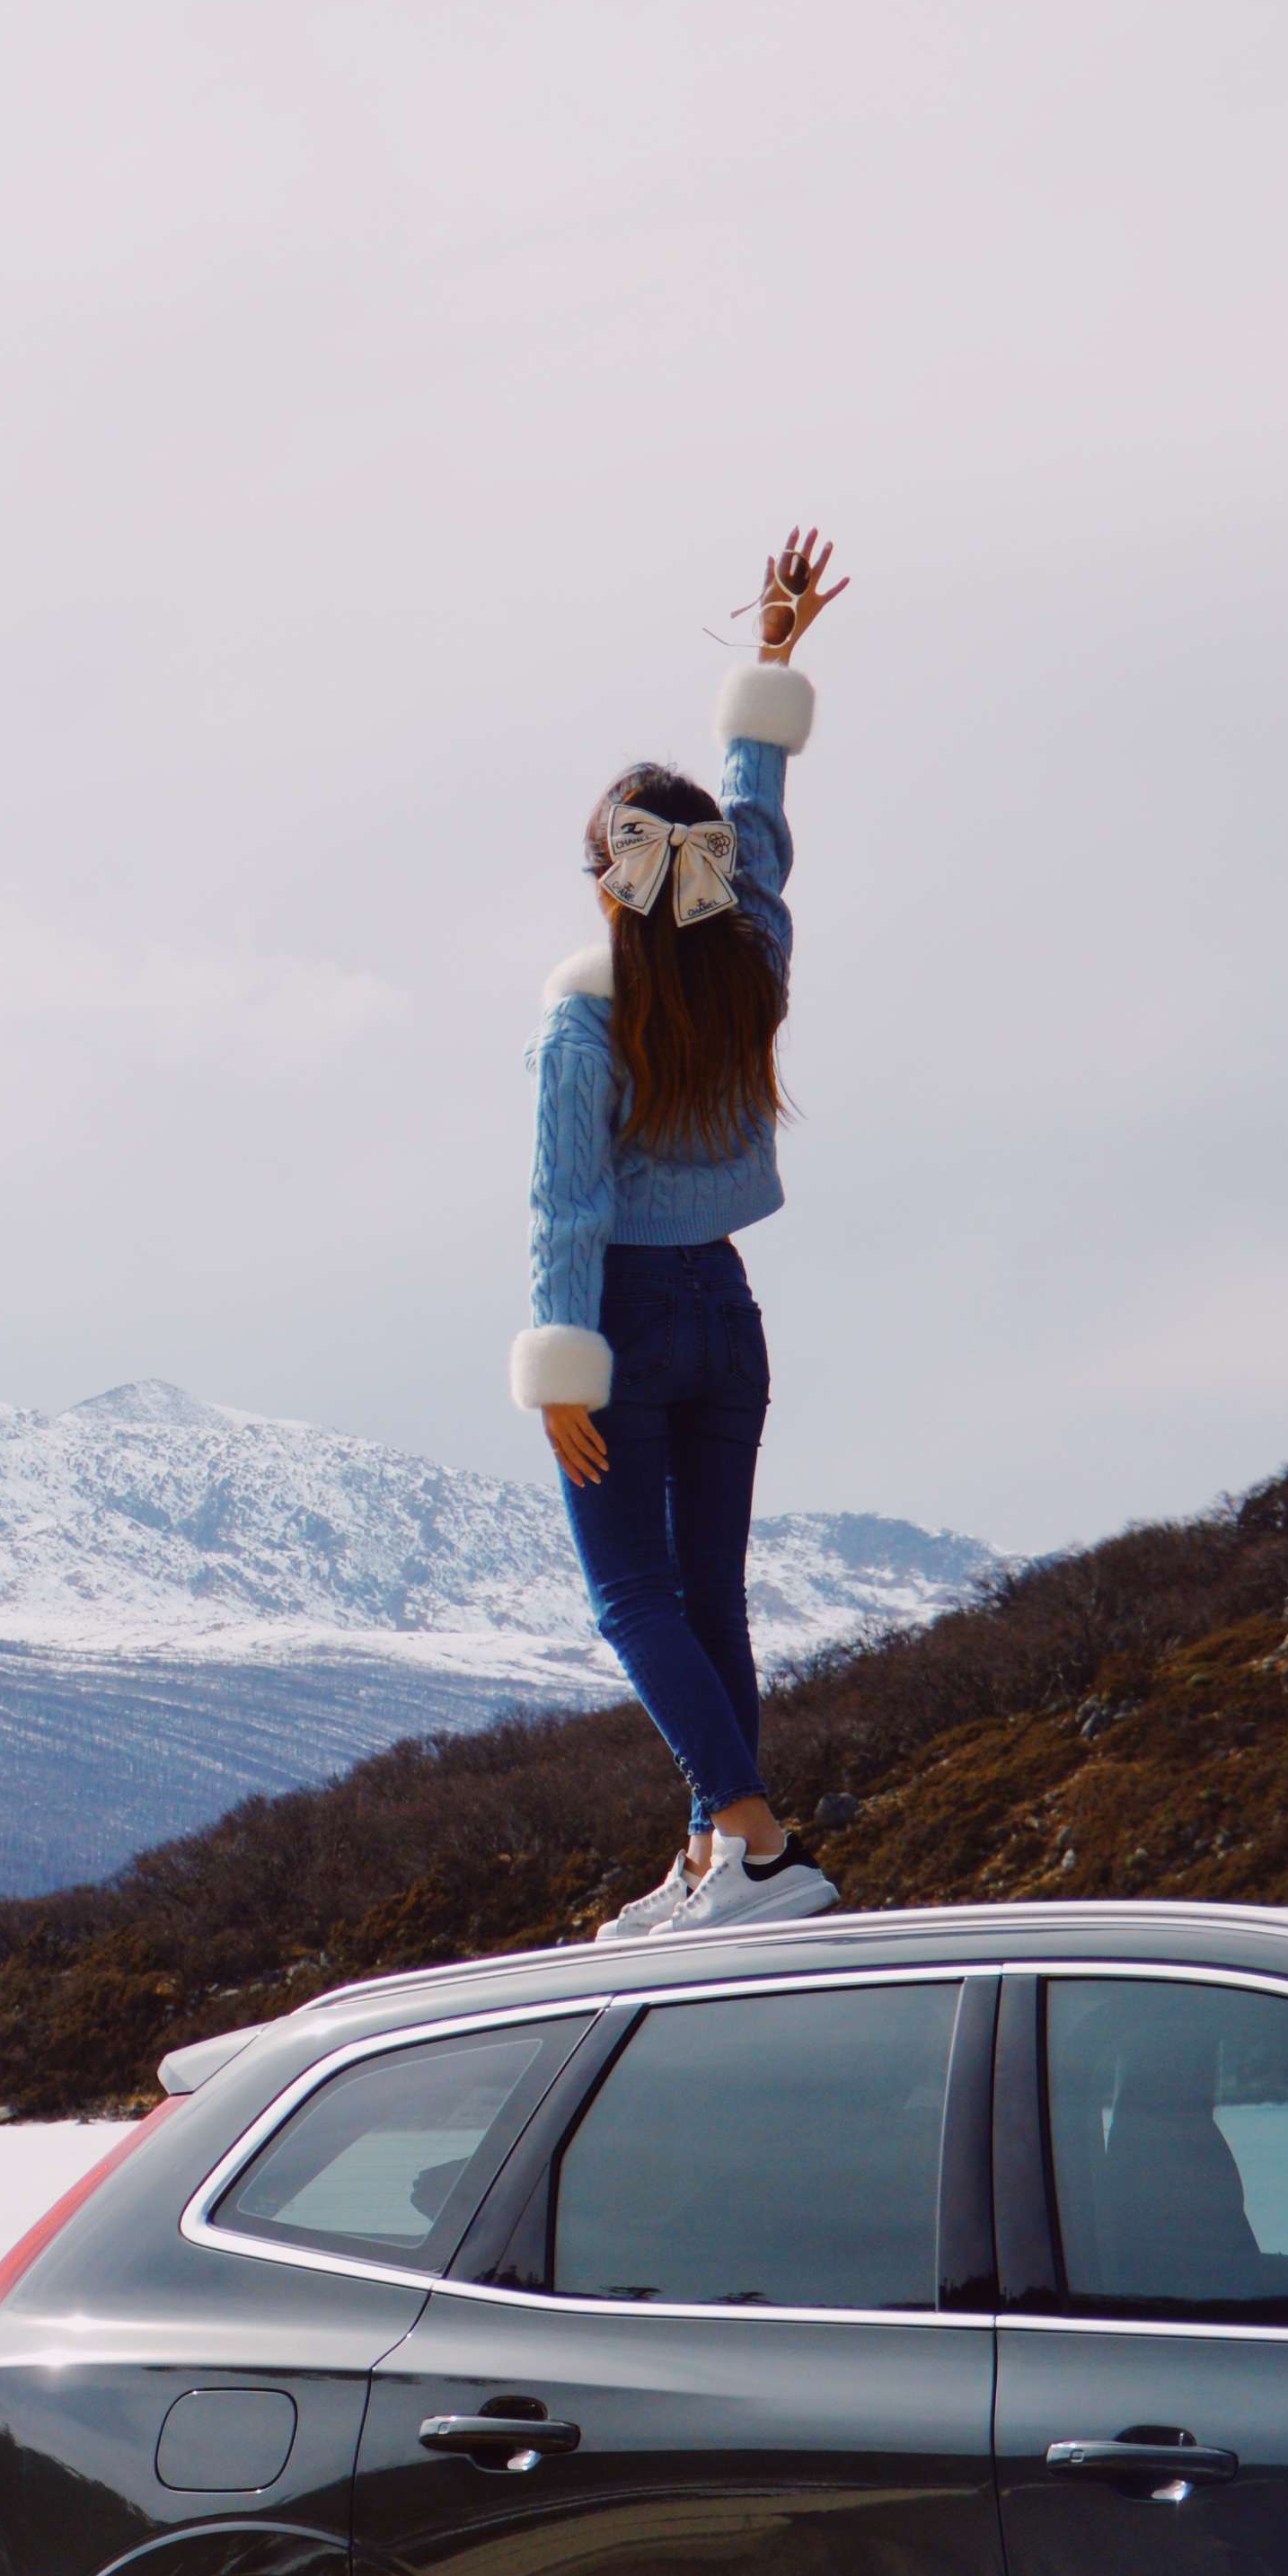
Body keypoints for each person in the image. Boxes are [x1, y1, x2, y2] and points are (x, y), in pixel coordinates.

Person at [520, 528, 841, 1938]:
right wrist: (770, 667)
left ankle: (761, 1846)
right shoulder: (752, 959)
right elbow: (759, 840)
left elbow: (565, 1205)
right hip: (729, 1313)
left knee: (630, 1598)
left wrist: (562, 1369)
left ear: (605, 881)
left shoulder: (585, 1011)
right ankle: (716, 1858)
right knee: (711, 1592)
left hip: (628, 1317)